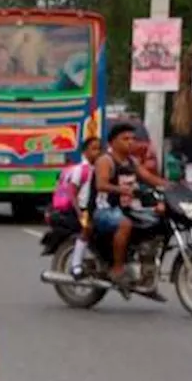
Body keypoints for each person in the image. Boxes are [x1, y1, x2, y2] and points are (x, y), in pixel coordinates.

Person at [93, 121, 167, 284]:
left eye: (132, 139)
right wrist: (123, 190)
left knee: (158, 219)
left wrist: (170, 186)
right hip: (105, 209)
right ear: (113, 142)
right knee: (125, 224)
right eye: (125, 139)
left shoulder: (132, 161)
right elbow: (101, 184)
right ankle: (117, 269)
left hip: (128, 208)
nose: (130, 142)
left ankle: (146, 265)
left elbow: (149, 178)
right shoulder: (106, 160)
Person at [50, 137, 102, 278]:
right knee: (86, 229)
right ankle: (76, 265)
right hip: (82, 209)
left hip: (95, 208)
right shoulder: (81, 170)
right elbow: (72, 192)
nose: (97, 152)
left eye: (99, 149)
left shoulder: (98, 168)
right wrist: (79, 213)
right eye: (94, 149)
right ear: (85, 152)